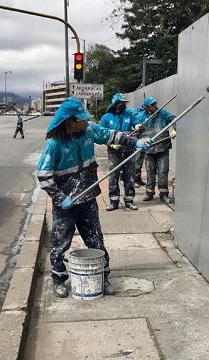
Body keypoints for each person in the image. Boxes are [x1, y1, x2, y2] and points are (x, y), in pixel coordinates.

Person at [36, 97, 152, 298]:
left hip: (88, 198)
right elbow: (44, 175)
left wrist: (136, 142)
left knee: (96, 239)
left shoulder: (89, 130)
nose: (86, 121)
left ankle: (103, 276)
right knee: (60, 242)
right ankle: (58, 279)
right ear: (69, 121)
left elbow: (112, 136)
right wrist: (60, 197)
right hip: (67, 203)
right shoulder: (54, 144)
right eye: (81, 119)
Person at [99, 93, 141, 211]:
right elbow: (102, 135)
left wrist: (138, 125)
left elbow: (137, 123)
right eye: (121, 102)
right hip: (114, 152)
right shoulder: (106, 117)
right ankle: (114, 201)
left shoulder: (129, 115)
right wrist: (111, 144)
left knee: (129, 176)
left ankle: (129, 200)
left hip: (128, 150)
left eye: (124, 103)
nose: (123, 104)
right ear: (115, 103)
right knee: (113, 176)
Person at [135, 97, 175, 204]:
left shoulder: (163, 113)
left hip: (163, 147)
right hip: (149, 149)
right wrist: (136, 127)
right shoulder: (141, 116)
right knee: (150, 172)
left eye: (155, 104)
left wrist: (173, 129)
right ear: (147, 107)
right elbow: (135, 129)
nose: (154, 106)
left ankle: (164, 194)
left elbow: (173, 119)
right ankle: (149, 192)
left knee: (163, 171)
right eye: (152, 105)